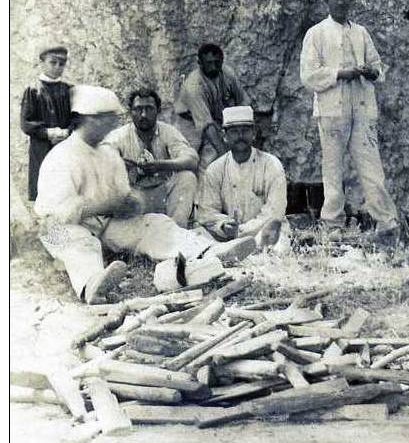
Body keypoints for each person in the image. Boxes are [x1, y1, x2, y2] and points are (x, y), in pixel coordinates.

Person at [34, 86, 254, 304]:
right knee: (79, 243)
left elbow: (122, 195)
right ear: (86, 119)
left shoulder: (107, 153)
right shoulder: (62, 156)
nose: (113, 124)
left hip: (103, 224)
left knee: (154, 223)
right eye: (106, 119)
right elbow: (59, 214)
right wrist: (105, 205)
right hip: (58, 229)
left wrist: (131, 204)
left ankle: (209, 250)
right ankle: (91, 285)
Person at [299, 0, 400, 240]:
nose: (340, 3)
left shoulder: (361, 32)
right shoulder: (316, 33)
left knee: (371, 166)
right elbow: (309, 75)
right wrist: (341, 73)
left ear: (351, 0)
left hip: (363, 107)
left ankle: (385, 221)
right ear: (327, 2)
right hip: (333, 109)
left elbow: (378, 67)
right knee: (333, 168)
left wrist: (370, 72)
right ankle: (332, 224)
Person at [103, 88, 199, 228]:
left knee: (187, 177)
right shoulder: (119, 136)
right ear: (130, 112)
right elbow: (101, 159)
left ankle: (177, 231)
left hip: (163, 197)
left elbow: (192, 159)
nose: (143, 115)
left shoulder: (168, 132)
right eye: (138, 109)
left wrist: (161, 165)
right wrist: (119, 164)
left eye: (149, 109)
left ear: (158, 111)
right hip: (134, 199)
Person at [197, 106, 289, 251]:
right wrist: (223, 225)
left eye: (245, 131)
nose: (240, 136)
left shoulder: (271, 165)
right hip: (226, 238)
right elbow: (206, 212)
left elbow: (274, 211)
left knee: (277, 248)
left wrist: (242, 231)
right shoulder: (215, 169)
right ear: (224, 136)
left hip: (263, 232)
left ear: (253, 134)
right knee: (198, 239)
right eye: (234, 132)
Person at [174, 42, 250, 169]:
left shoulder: (227, 73)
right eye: (209, 63)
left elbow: (243, 102)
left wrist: (243, 129)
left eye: (217, 62)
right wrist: (226, 157)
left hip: (214, 118)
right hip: (189, 122)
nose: (214, 67)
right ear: (200, 63)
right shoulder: (194, 86)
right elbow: (207, 126)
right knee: (204, 159)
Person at [20, 45, 73, 201]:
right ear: (42, 63)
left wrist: (67, 132)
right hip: (42, 148)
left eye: (61, 64)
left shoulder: (68, 90)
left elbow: (77, 117)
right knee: (44, 188)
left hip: (65, 146)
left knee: (65, 189)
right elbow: (26, 122)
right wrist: (48, 133)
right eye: (53, 62)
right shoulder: (33, 90)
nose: (57, 67)